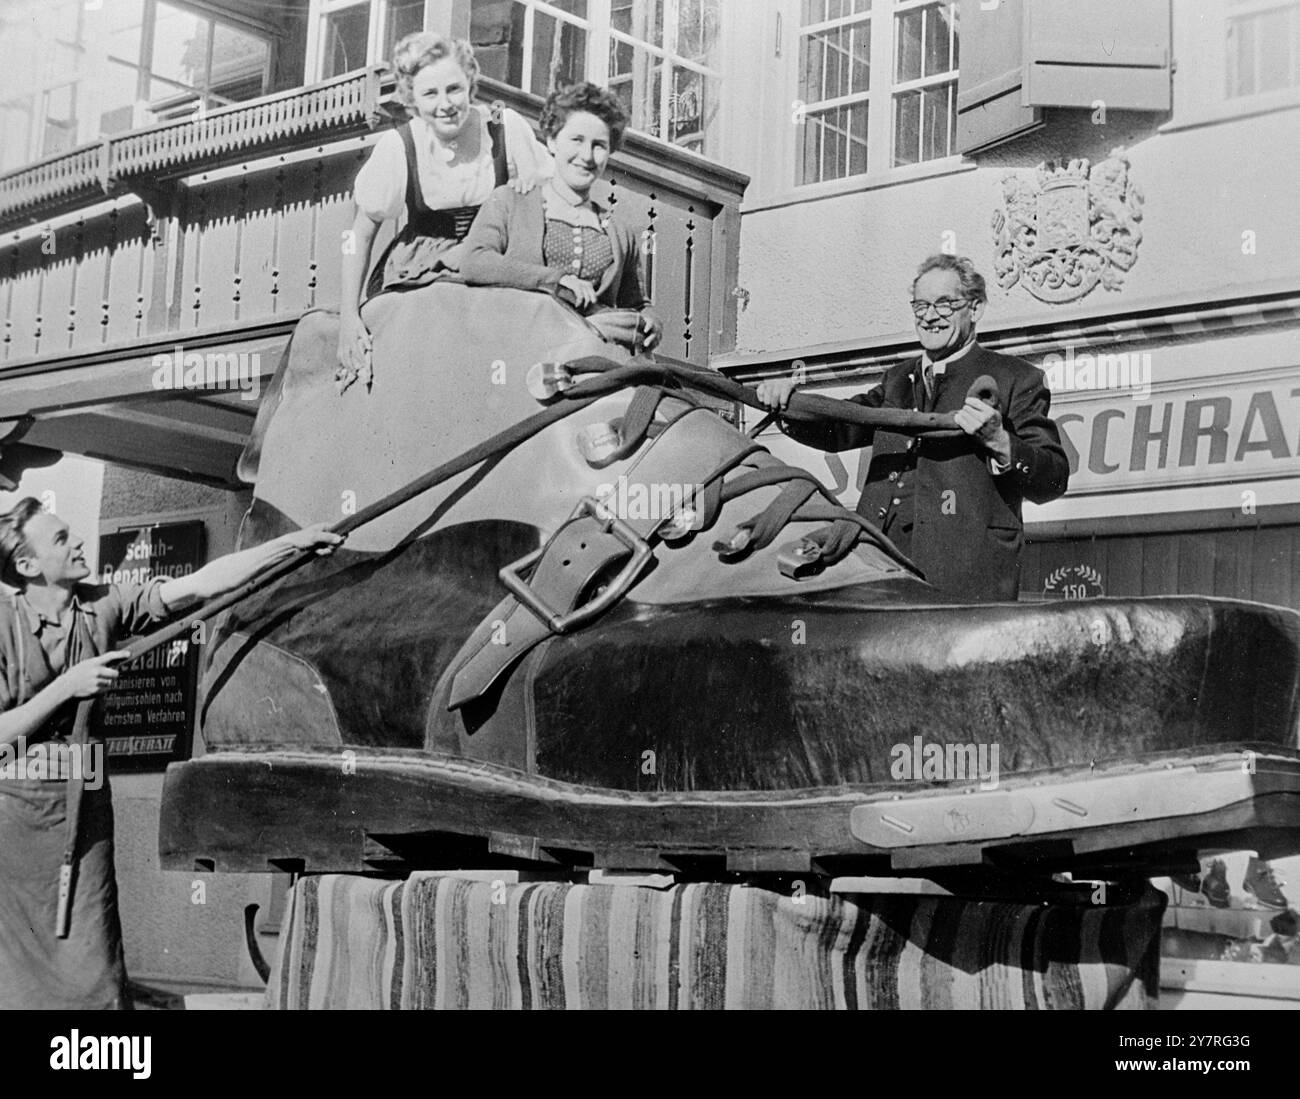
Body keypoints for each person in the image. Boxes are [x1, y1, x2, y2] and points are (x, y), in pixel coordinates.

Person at [0, 498, 342, 1009]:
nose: (77, 543)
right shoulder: (2, 625)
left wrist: (290, 546)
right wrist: (68, 686)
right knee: (16, 962)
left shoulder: (102, 605)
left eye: (73, 532)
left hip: (85, 805)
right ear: (27, 566)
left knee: (92, 952)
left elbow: (200, 584)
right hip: (15, 817)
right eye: (60, 539)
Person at [756, 254, 1068, 602]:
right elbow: (840, 428)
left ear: (976, 308)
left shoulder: (1017, 378)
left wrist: (999, 440)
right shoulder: (896, 380)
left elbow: (1052, 479)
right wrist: (787, 405)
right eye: (921, 306)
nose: (930, 317)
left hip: (964, 579)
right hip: (877, 567)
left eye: (944, 304)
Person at [337, 32, 554, 391]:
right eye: (430, 94)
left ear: (470, 85)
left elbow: (545, 197)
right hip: (422, 269)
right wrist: (349, 316)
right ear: (412, 100)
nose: (445, 104)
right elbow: (356, 235)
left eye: (454, 89)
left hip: (494, 256)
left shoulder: (505, 129)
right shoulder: (399, 146)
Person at [460, 82, 662, 352]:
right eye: (576, 140)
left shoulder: (618, 230)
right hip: (522, 341)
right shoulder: (510, 201)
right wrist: (556, 279)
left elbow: (636, 303)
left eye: (599, 145)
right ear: (553, 141)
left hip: (596, 346)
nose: (587, 156)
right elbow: (475, 262)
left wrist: (651, 322)